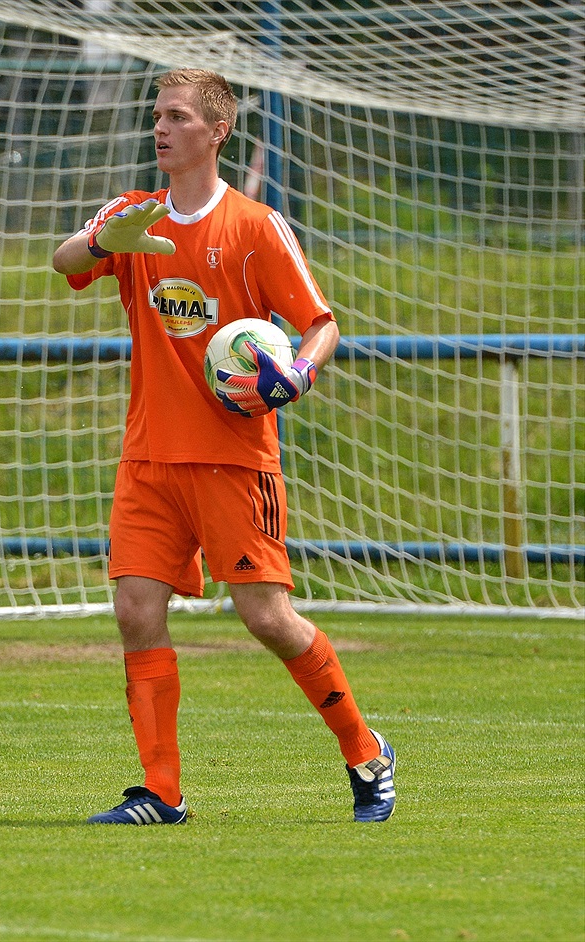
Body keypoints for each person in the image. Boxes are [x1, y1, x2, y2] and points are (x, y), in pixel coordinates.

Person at [53, 68, 396, 825]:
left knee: (266, 618)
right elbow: (65, 261)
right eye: (157, 116)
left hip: (234, 459)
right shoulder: (134, 217)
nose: (161, 128)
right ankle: (160, 793)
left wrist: (299, 373)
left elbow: (321, 322)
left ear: (217, 132)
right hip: (148, 458)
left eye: (177, 117)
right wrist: (100, 238)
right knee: (135, 609)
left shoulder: (254, 226)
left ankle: (366, 752)